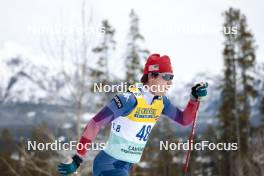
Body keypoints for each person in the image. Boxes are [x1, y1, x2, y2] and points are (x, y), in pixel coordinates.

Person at [58, 53, 208, 176]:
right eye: (167, 77)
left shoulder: (161, 102)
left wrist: (194, 99)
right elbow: (94, 124)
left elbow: (184, 119)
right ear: (152, 76)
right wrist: (78, 158)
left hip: (125, 167)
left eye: (172, 78)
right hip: (108, 165)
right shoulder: (129, 99)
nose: (170, 83)